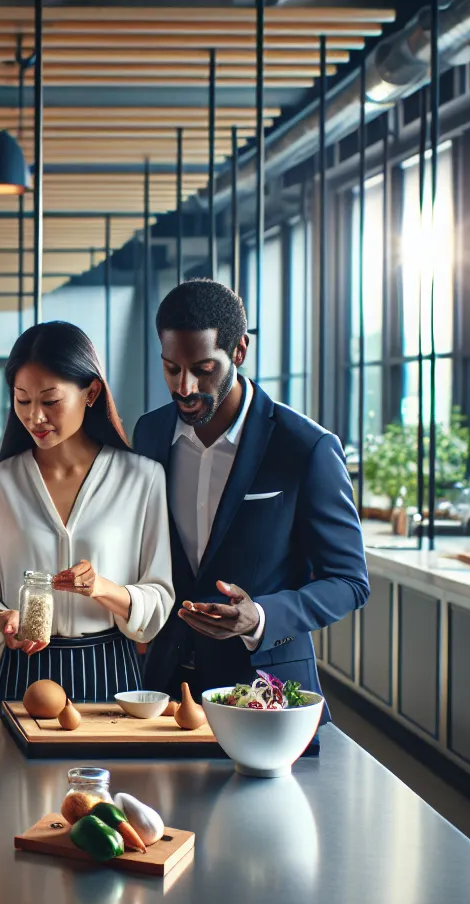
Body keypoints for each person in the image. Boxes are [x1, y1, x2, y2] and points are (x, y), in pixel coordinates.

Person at [132, 280, 368, 745]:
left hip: (265, 692)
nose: (185, 387)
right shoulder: (149, 434)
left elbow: (350, 582)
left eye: (203, 369)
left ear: (239, 350)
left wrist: (260, 616)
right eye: (171, 368)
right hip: (163, 686)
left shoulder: (306, 448)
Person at [0, 321, 174, 708]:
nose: (35, 417)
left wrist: (102, 588)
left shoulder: (142, 478)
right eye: (22, 400)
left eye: (50, 400)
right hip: (23, 674)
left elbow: (159, 596)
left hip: (111, 673)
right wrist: (2, 619)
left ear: (91, 392)